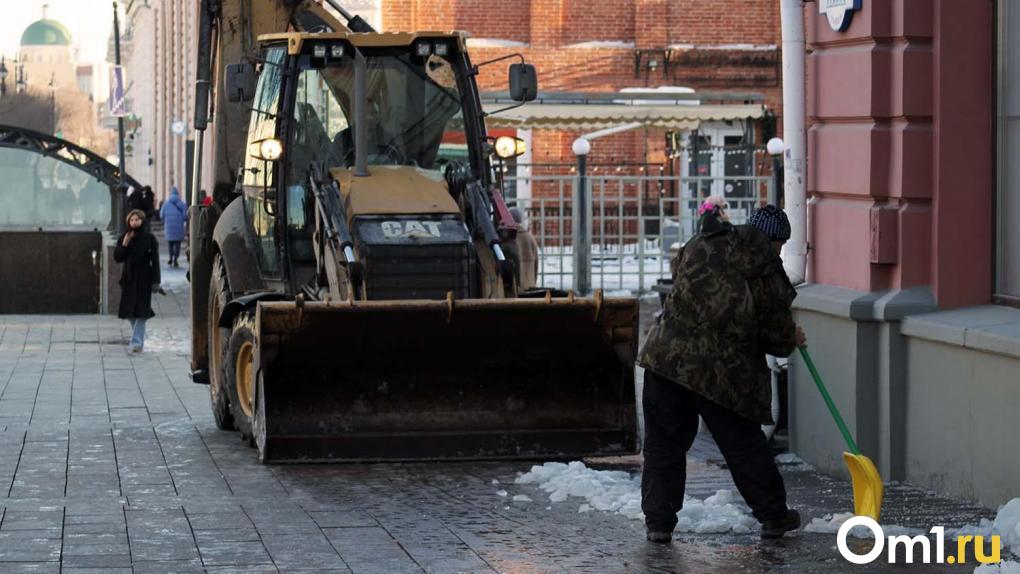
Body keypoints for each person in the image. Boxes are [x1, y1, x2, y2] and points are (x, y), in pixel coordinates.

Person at [637, 203, 806, 543]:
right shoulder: (767, 270)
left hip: (665, 358)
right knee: (743, 445)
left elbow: (680, 278)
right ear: (775, 241)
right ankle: (774, 516)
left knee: (663, 446)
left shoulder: (702, 243)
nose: (779, 251)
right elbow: (776, 336)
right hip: (721, 374)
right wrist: (792, 337)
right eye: (781, 244)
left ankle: (659, 523)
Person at [114, 209, 161, 353]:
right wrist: (125, 244)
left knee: (142, 311)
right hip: (129, 278)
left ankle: (137, 342)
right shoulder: (124, 237)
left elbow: (155, 261)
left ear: (142, 221)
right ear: (128, 221)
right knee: (129, 312)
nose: (134, 222)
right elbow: (117, 258)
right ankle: (138, 337)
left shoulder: (149, 238)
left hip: (144, 278)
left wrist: (156, 281)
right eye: (132, 220)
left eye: (137, 220)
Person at [160, 186, 188, 267]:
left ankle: (170, 258)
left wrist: (165, 220)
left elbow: (161, 215)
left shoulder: (165, 204)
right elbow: (185, 216)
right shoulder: (182, 204)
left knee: (170, 243)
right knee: (177, 243)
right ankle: (175, 259)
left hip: (169, 226)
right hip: (178, 227)